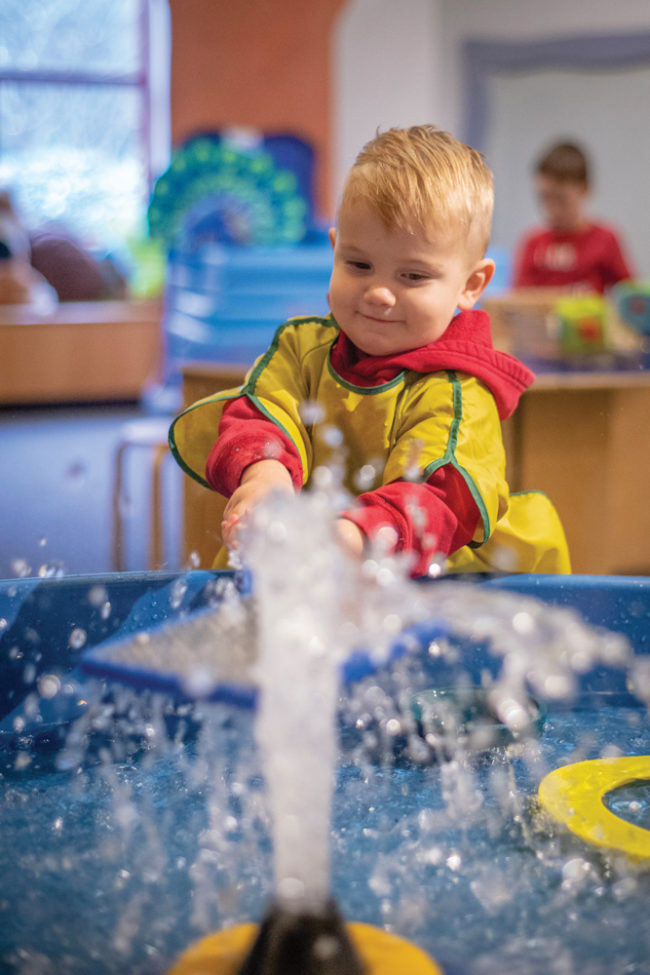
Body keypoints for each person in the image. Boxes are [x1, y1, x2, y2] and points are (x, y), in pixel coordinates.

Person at [169, 125, 570, 576]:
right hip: (303, 572)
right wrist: (265, 477)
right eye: (359, 265)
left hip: (429, 584)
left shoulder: (459, 392)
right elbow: (261, 413)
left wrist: (353, 539)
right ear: (335, 251)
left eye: (413, 276)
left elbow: (439, 498)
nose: (378, 293)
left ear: (470, 285)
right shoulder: (302, 349)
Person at [513, 141, 634, 294]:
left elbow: (631, 297)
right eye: (544, 197)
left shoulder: (605, 239)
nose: (552, 208)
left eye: (561, 199)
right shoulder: (533, 242)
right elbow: (517, 301)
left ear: (584, 189)